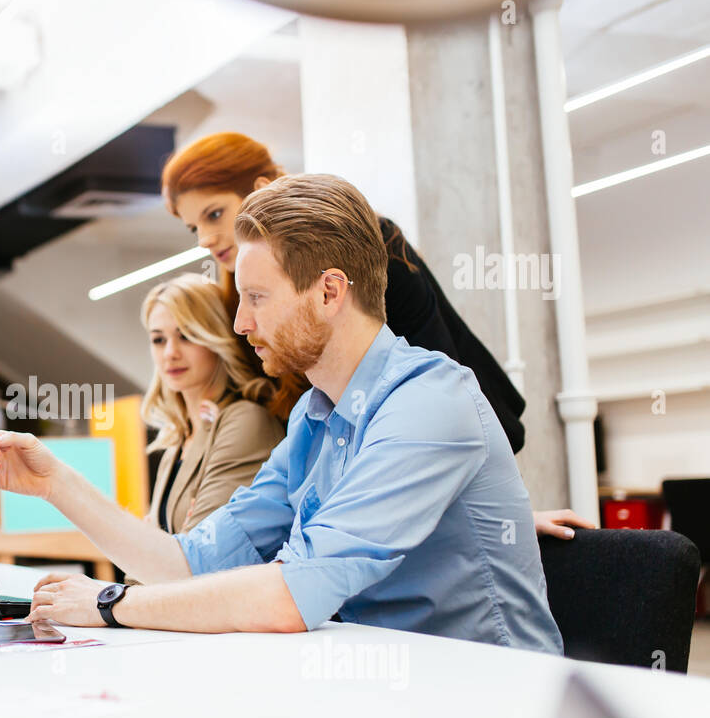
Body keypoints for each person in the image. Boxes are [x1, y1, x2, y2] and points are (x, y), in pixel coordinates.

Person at [0, 174, 562, 653]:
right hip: (386, 688)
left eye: (257, 299)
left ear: (329, 292)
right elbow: (184, 565)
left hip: (489, 703)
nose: (240, 325)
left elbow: (292, 596)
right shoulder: (314, 420)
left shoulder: (430, 402)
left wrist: (110, 603)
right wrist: (56, 482)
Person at [161, 131, 593, 542]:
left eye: (214, 214)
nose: (203, 239)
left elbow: (437, 387)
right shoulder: (238, 292)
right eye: (192, 227)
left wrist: (495, 515)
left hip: (426, 456)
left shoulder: (369, 250)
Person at [141, 275, 287, 535]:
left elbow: (199, 552)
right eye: (158, 340)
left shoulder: (246, 421)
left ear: (215, 337)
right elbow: (148, 552)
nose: (170, 353)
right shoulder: (176, 442)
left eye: (186, 336)